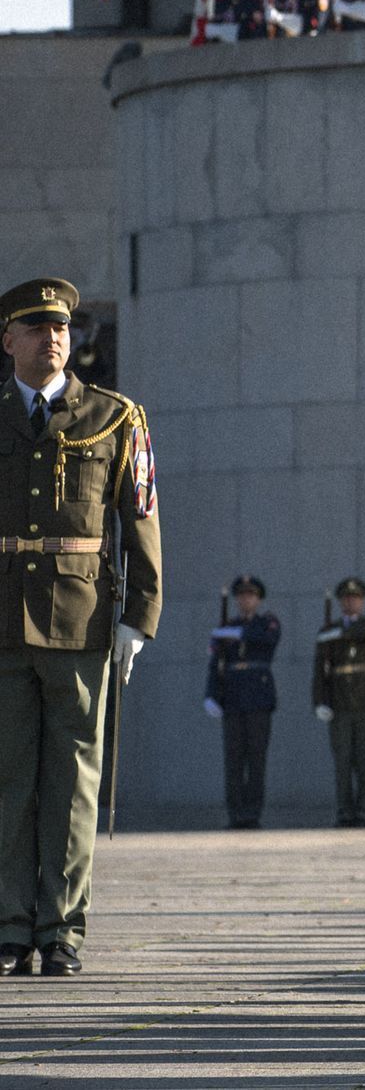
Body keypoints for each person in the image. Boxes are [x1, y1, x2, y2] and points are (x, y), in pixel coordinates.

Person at [0, 278, 160, 979]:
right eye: (36, 328)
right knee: (10, 780)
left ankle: (62, 929)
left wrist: (139, 617)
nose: (53, 337)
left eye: (61, 327)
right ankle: (10, 925)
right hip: (2, 621)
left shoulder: (114, 416)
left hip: (82, 620)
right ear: (8, 339)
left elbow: (142, 516)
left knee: (72, 783)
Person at [203, 576, 279, 830]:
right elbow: (217, 665)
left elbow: (267, 639)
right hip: (233, 700)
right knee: (234, 760)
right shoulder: (227, 628)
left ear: (258, 599)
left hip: (258, 699)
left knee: (256, 760)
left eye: (251, 595)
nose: (246, 600)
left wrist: (236, 633)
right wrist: (211, 694)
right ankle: (235, 813)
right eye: (242, 596)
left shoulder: (267, 622)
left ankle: (252, 813)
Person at [314, 576, 365, 828]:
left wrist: (340, 633)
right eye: (346, 599)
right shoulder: (327, 632)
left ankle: (364, 810)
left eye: (355, 598)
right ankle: (344, 809)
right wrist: (320, 701)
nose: (351, 602)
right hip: (340, 705)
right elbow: (320, 672)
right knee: (342, 762)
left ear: (362, 601)